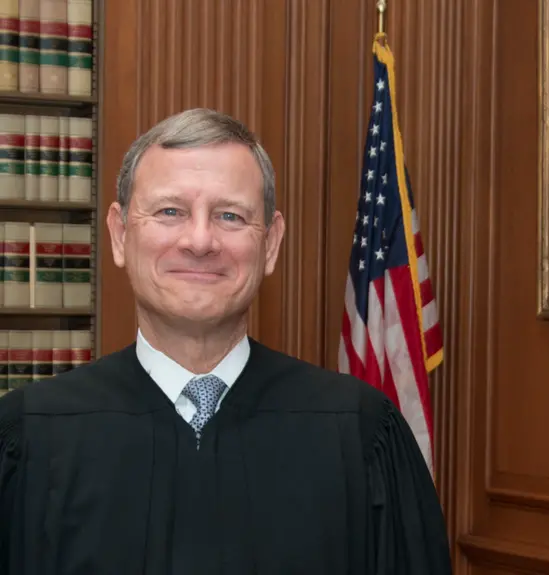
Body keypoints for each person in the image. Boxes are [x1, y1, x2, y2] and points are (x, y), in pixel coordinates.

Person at [0, 108, 453, 574]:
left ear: (271, 243)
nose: (199, 240)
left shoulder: (360, 435)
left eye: (230, 216)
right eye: (170, 211)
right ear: (119, 235)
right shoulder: (30, 438)